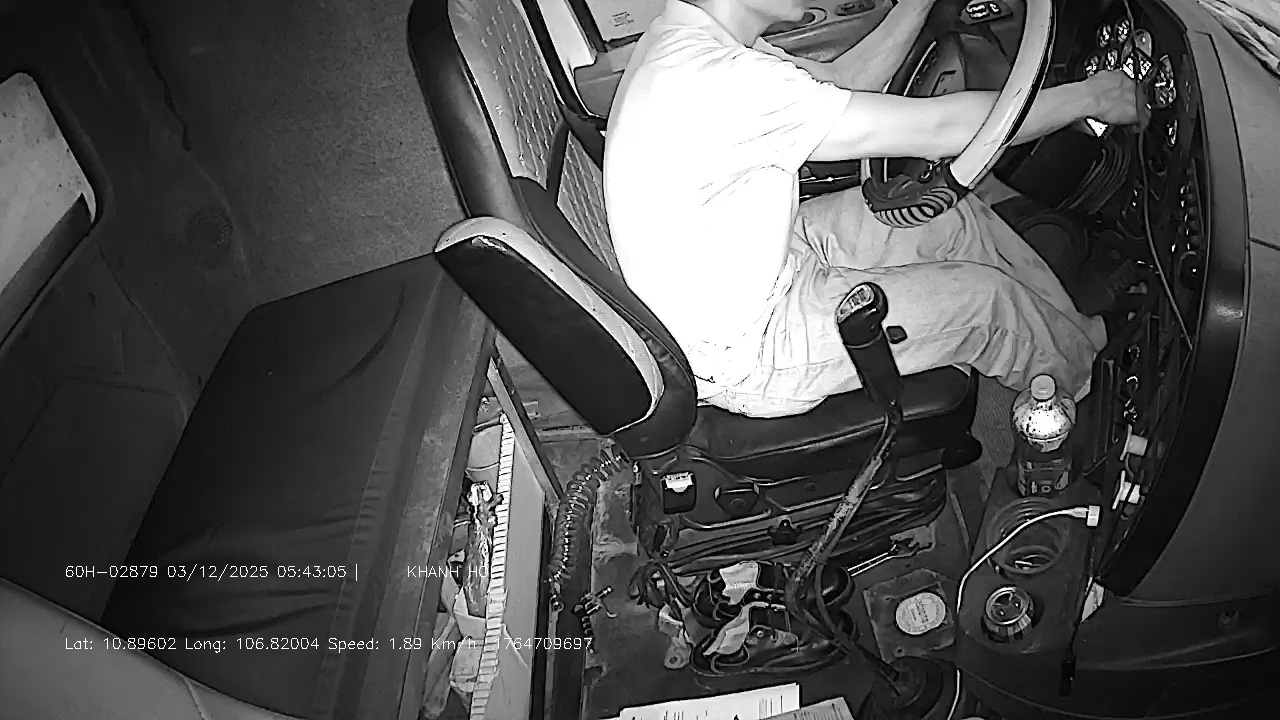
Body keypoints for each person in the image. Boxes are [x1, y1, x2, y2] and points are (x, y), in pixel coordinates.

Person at [603, 0, 1144, 418]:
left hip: (757, 263)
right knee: (988, 304)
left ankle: (1076, 335)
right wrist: (1090, 98)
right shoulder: (720, 81)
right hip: (748, 347)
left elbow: (839, 83)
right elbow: (942, 129)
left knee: (946, 217)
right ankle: (1089, 395)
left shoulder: (691, 40)